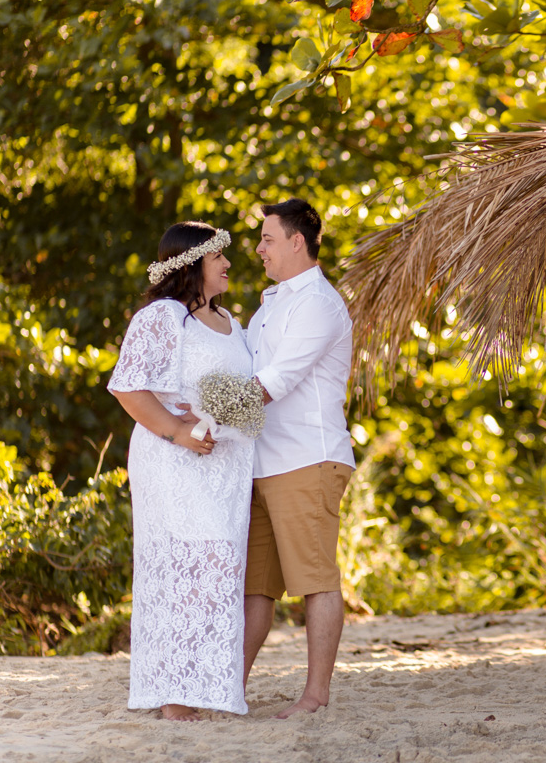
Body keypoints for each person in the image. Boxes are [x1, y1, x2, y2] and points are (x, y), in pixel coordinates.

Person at [108, 221, 253, 721]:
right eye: (218, 258)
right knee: (184, 569)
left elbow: (241, 394)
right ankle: (174, 698)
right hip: (173, 464)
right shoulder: (163, 317)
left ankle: (201, 689)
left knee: (218, 570)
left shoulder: (231, 323)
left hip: (225, 468)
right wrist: (177, 431)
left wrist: (224, 419)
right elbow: (129, 388)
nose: (229, 264)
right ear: (191, 263)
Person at [242, 198, 355, 719]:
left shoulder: (319, 304)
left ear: (296, 242)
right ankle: (226, 688)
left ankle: (315, 697)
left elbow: (274, 382)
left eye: (267, 238)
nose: (258, 248)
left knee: (315, 582)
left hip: (308, 459)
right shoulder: (269, 305)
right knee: (255, 589)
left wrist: (196, 423)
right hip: (262, 463)